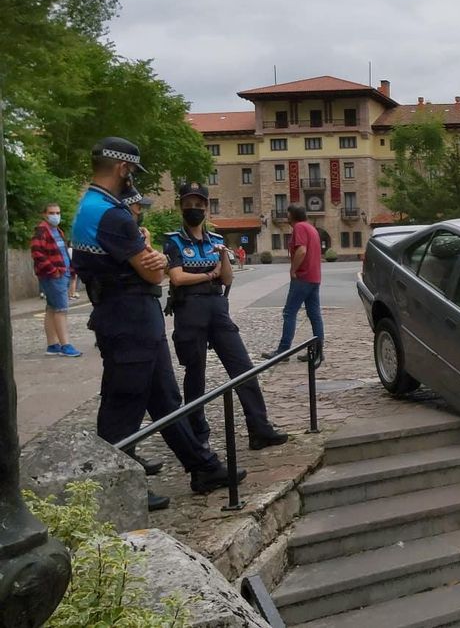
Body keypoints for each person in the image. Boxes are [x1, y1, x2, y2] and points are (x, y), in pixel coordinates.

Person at [72, 137, 244, 510]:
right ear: (121, 168)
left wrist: (153, 261)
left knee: (166, 398)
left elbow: (155, 264)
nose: (133, 178)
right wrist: (153, 263)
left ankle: (203, 467)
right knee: (123, 404)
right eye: (132, 171)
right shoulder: (112, 215)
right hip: (128, 316)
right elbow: (153, 275)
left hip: (132, 318)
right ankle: (114, 488)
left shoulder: (94, 206)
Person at [165, 182, 290, 451]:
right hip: (189, 310)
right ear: (181, 206)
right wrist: (209, 275)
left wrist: (222, 260)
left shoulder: (218, 241)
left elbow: (228, 277)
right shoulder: (174, 240)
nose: (194, 209)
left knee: (242, 365)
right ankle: (199, 435)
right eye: (189, 204)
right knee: (195, 372)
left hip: (217, 306)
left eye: (199, 205)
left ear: (206, 208)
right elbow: (176, 277)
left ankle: (259, 427)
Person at [262, 204, 324, 363]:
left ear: (293, 216)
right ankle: (318, 352)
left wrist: (293, 269)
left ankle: (283, 352)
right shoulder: (312, 228)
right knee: (315, 315)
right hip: (314, 277)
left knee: (289, 313)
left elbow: (302, 250)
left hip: (302, 278)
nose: (286, 217)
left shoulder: (300, 228)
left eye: (288, 214)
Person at [30, 203, 82, 357]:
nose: (56, 215)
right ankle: (65, 345)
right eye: (52, 212)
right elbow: (37, 253)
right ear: (44, 214)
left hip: (61, 274)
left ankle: (52, 345)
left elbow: (63, 252)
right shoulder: (41, 231)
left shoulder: (57, 230)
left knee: (52, 309)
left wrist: (70, 270)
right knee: (61, 310)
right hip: (53, 276)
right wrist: (54, 271)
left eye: (58, 212)